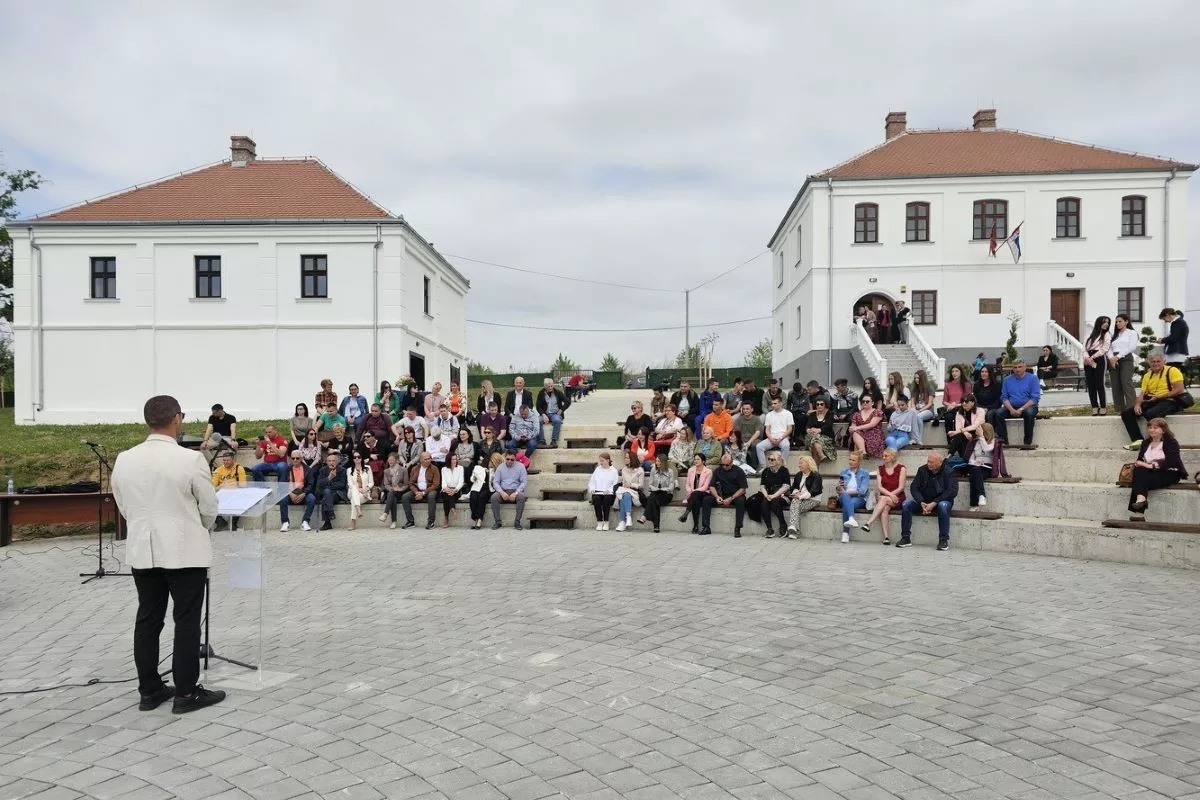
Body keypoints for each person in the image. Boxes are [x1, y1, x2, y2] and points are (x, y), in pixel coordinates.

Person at [111, 394, 224, 714]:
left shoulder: (124, 459)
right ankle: (186, 693)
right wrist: (200, 526)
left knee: (148, 619)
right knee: (186, 621)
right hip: (184, 550)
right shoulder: (188, 460)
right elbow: (208, 507)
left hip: (143, 550)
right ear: (176, 418)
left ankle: (149, 689)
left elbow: (123, 505)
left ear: (149, 420)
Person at [1122, 352, 1187, 450]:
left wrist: (1159, 397)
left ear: (1163, 361)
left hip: (1171, 400)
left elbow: (1179, 389)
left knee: (1150, 414)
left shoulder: (1172, 370)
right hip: (1153, 400)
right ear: (1149, 363)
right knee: (1127, 413)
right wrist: (1137, 405)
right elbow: (1142, 394)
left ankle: (1161, 441)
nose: (1155, 364)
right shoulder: (1147, 375)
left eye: (1158, 361)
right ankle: (1138, 441)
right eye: (1153, 362)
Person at [1127, 418, 1187, 519]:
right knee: (1139, 471)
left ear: (1163, 430)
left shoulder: (1171, 442)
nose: (1152, 430)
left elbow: (1172, 461)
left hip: (1169, 472)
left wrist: (1152, 465)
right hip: (1150, 472)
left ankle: (1138, 512)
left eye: (1155, 428)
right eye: (1150, 427)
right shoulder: (1146, 443)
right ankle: (1141, 500)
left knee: (1140, 478)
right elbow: (1141, 459)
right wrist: (1139, 463)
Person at [898, 452, 958, 550]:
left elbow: (952, 491)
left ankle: (943, 540)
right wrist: (921, 501)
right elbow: (914, 487)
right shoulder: (922, 470)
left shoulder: (949, 472)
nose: (929, 464)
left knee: (943, 506)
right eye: (928, 461)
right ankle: (905, 538)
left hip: (940, 502)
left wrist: (935, 503)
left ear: (940, 463)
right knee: (906, 504)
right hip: (924, 502)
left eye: (932, 462)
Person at [990, 360, 1041, 446]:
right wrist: (1011, 409)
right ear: (1012, 369)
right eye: (1015, 367)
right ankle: (1004, 441)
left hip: (1029, 407)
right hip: (1012, 407)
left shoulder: (1033, 378)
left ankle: (1027, 442)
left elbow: (1035, 398)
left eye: (1020, 367)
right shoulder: (1007, 380)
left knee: (1029, 413)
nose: (1017, 369)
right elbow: (1004, 397)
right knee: (998, 413)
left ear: (1025, 367)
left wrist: (1021, 409)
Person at [861, 448, 906, 545]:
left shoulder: (901, 468)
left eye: (886, 456)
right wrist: (890, 495)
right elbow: (880, 487)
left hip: (898, 497)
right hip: (886, 497)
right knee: (885, 508)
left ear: (893, 457)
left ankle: (868, 523)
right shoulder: (880, 469)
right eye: (883, 456)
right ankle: (886, 537)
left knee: (883, 498)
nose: (883, 457)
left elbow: (901, 487)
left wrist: (892, 495)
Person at [702, 454, 748, 537]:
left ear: (732, 463)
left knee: (741, 501)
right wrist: (717, 496)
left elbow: (743, 489)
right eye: (722, 464)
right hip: (721, 495)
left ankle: (738, 527)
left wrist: (731, 498)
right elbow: (711, 486)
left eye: (727, 465)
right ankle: (706, 527)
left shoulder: (739, 471)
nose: (724, 467)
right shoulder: (717, 471)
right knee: (706, 500)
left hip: (735, 495)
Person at [1107, 313, 1140, 413]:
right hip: (1113, 359)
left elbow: (1131, 347)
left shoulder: (1132, 333)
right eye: (1116, 322)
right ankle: (1119, 409)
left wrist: (1117, 357)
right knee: (1116, 385)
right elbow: (1109, 348)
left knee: (1126, 382)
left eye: (1120, 321)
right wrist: (1112, 358)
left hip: (1125, 358)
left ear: (1126, 321)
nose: (1117, 323)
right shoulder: (1114, 335)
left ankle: (1131, 408)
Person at [836, 451, 871, 541]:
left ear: (858, 462)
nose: (850, 462)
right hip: (844, 497)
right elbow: (839, 491)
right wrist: (839, 487)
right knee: (845, 498)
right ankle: (851, 518)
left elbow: (862, 491)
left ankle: (845, 533)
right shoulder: (843, 472)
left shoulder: (864, 473)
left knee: (847, 505)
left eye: (853, 460)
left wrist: (846, 492)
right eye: (850, 459)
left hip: (859, 498)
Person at [278, 451, 316, 532]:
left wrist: (304, 493)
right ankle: (285, 522)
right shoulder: (286, 470)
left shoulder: (308, 470)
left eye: (297, 458)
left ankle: (305, 522)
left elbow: (311, 484)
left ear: (301, 459)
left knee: (312, 498)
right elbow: (281, 484)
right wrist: (290, 493)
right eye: (293, 458)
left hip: (303, 492)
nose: (295, 460)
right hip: (290, 492)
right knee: (282, 498)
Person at [785, 456, 822, 539]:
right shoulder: (799, 475)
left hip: (813, 500)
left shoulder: (816, 475)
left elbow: (813, 491)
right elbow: (793, 488)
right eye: (799, 463)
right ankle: (794, 530)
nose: (799, 465)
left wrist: (800, 496)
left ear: (808, 464)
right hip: (799, 499)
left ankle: (794, 529)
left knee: (795, 504)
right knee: (795, 502)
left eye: (801, 463)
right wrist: (795, 492)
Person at [489, 451, 528, 530]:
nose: (509, 461)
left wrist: (516, 493)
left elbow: (523, 482)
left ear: (515, 459)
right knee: (493, 497)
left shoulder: (521, 467)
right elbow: (495, 482)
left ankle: (517, 522)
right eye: (508, 459)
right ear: (505, 458)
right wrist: (501, 492)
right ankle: (497, 522)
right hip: (503, 490)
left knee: (522, 497)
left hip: (515, 490)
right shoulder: (500, 467)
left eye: (512, 459)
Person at [401, 452, 441, 529]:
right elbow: (411, 483)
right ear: (421, 460)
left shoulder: (434, 469)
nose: (429, 460)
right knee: (405, 497)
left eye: (429, 458)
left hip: (429, 490)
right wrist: (416, 492)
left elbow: (436, 485)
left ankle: (431, 522)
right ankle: (410, 521)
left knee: (432, 496)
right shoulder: (415, 469)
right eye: (426, 459)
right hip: (417, 490)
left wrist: (423, 493)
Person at [639, 454, 677, 533]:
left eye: (659, 461)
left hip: (666, 495)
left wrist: (661, 489)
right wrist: (655, 489)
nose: (656, 463)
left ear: (663, 462)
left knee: (652, 498)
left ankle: (645, 516)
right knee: (654, 498)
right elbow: (650, 484)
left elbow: (671, 487)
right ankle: (656, 526)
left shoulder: (670, 471)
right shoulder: (653, 470)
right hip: (655, 493)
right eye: (656, 461)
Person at [1082, 316, 1112, 415]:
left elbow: (1105, 349)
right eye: (1104, 322)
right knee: (1091, 384)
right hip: (1088, 360)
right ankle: (1094, 407)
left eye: (1108, 322)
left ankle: (1103, 406)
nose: (1106, 324)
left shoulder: (1107, 334)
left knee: (1099, 384)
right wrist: (1087, 357)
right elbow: (1084, 348)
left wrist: (1092, 357)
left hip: (1099, 359)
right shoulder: (1090, 334)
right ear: (1099, 322)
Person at [210, 451, 246, 531]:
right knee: (209, 499)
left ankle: (233, 523)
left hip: (235, 492)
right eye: (224, 460)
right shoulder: (218, 470)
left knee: (241, 499)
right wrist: (221, 486)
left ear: (233, 460)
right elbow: (212, 486)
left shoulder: (239, 468)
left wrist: (232, 485)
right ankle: (220, 522)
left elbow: (243, 485)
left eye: (228, 460)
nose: (225, 462)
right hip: (222, 492)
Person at [758, 451, 791, 538]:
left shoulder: (784, 470)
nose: (770, 461)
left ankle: (783, 525)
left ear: (779, 461)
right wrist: (766, 495)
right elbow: (762, 486)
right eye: (769, 459)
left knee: (774, 501)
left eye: (773, 459)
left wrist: (773, 495)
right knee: (764, 502)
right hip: (769, 494)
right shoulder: (766, 471)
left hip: (783, 496)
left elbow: (786, 486)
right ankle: (770, 529)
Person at [678, 453, 713, 533]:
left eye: (698, 459)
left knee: (695, 495)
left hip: (704, 494)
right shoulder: (691, 470)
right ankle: (696, 526)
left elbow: (705, 487)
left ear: (703, 461)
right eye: (695, 459)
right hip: (693, 495)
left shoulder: (708, 471)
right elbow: (687, 484)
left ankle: (686, 514)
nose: (696, 461)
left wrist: (693, 492)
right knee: (695, 502)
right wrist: (690, 491)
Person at [756, 396, 794, 468]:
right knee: (759, 446)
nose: (772, 405)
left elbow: (789, 429)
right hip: (771, 438)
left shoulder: (788, 414)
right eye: (772, 403)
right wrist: (771, 438)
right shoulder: (769, 415)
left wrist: (780, 438)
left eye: (775, 403)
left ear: (781, 404)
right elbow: (767, 430)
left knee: (786, 446)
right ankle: (763, 467)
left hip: (783, 437)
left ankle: (782, 467)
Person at [314, 452, 348, 531]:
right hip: (327, 494)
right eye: (329, 461)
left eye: (333, 461)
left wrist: (328, 484)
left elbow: (342, 484)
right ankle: (330, 514)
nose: (331, 462)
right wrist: (329, 478)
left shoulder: (342, 470)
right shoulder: (322, 470)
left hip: (338, 493)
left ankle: (327, 523)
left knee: (326, 495)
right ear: (326, 462)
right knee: (326, 493)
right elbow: (319, 484)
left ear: (337, 462)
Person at [966, 423, 996, 511]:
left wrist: (982, 437)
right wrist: (975, 462)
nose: (976, 431)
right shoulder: (975, 442)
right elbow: (970, 458)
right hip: (976, 466)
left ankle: (974, 505)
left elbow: (987, 449)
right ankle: (981, 496)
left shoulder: (994, 441)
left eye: (979, 429)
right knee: (975, 472)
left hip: (987, 467)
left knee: (973, 477)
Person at [587, 452, 620, 530]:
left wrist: (608, 490)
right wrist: (592, 489)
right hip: (598, 491)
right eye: (600, 461)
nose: (601, 463)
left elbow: (615, 484)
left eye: (602, 461)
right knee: (596, 499)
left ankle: (606, 522)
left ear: (608, 460)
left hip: (608, 493)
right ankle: (599, 521)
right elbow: (592, 481)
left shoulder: (614, 471)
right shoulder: (597, 469)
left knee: (607, 499)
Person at [469, 453, 502, 530]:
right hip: (476, 487)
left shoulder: (494, 470)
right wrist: (474, 478)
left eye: (493, 462)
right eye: (491, 461)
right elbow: (471, 479)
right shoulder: (477, 468)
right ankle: (474, 518)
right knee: (473, 498)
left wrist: (493, 472)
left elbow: (494, 482)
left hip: (487, 489)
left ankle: (479, 520)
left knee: (481, 498)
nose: (491, 463)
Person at [947, 395, 985, 461]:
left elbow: (975, 426)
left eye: (966, 401)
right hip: (964, 437)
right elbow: (958, 428)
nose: (964, 403)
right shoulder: (959, 413)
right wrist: (965, 433)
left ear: (973, 402)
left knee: (957, 435)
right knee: (959, 436)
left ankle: (950, 456)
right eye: (962, 401)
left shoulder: (980, 411)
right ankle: (950, 455)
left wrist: (959, 431)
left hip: (977, 435)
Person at [613, 451, 643, 531]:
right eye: (625, 457)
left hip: (635, 492)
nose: (625, 459)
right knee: (625, 494)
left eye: (627, 457)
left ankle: (623, 521)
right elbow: (623, 482)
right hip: (625, 491)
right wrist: (624, 485)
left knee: (625, 495)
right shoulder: (624, 469)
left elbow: (641, 485)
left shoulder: (640, 470)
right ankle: (627, 517)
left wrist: (631, 485)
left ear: (631, 459)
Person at [537, 377, 570, 447]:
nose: (551, 387)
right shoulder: (541, 393)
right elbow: (538, 406)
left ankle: (554, 440)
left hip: (555, 414)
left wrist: (561, 410)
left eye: (552, 386)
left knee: (557, 420)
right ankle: (542, 441)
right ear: (545, 386)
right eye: (548, 386)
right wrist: (543, 414)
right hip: (545, 414)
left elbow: (568, 401)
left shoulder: (558, 392)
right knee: (537, 421)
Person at [849, 394, 885, 459]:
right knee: (855, 433)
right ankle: (863, 453)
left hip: (874, 434)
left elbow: (872, 424)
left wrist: (857, 428)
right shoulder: (857, 414)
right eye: (863, 401)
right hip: (860, 435)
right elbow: (853, 426)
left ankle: (858, 459)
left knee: (857, 442)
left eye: (867, 401)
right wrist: (851, 429)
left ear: (872, 403)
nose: (865, 403)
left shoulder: (877, 412)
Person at [379, 452, 409, 529]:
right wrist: (392, 488)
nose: (390, 462)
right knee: (392, 496)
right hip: (391, 491)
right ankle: (393, 521)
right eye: (389, 460)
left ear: (396, 460)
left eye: (392, 460)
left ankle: (386, 513)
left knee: (391, 495)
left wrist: (400, 489)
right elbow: (386, 484)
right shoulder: (386, 471)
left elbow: (406, 484)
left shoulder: (403, 470)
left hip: (400, 492)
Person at [346, 453, 373, 531]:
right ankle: (358, 509)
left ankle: (353, 520)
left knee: (353, 500)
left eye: (359, 457)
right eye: (354, 457)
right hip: (352, 492)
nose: (357, 458)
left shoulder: (368, 468)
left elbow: (371, 482)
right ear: (353, 459)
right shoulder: (349, 470)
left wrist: (366, 488)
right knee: (354, 489)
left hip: (365, 493)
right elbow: (350, 484)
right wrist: (359, 490)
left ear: (362, 458)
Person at [804, 399, 836, 464]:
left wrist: (819, 430)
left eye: (821, 404)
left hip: (826, 437)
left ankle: (815, 471)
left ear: (825, 405)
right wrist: (808, 430)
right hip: (812, 435)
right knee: (815, 438)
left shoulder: (830, 414)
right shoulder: (812, 414)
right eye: (817, 404)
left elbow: (829, 426)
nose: (819, 406)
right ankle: (821, 455)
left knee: (814, 446)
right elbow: (808, 425)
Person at [734, 401, 763, 469]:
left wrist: (749, 442)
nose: (745, 411)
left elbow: (757, 432)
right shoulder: (739, 419)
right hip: (742, 439)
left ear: (752, 409)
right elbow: (736, 432)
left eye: (747, 409)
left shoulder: (756, 419)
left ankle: (753, 467)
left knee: (755, 445)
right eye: (744, 409)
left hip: (754, 439)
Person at [828, 379, 857, 447]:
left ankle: (846, 437)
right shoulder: (836, 395)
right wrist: (834, 414)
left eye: (838, 387)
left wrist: (846, 415)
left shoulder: (854, 394)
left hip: (851, 411)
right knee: (829, 418)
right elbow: (834, 407)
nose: (837, 389)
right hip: (841, 411)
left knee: (852, 419)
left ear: (844, 386)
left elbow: (854, 408)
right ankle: (832, 438)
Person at [440, 452, 465, 528]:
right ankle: (452, 509)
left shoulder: (460, 468)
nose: (455, 461)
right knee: (447, 494)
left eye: (455, 459)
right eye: (452, 459)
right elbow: (443, 482)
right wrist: (446, 488)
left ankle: (446, 517)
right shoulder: (444, 469)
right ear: (448, 460)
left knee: (448, 496)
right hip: (446, 489)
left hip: (456, 490)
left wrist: (455, 490)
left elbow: (461, 482)